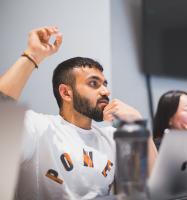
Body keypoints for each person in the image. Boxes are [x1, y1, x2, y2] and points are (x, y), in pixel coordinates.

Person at [0, 26, 157, 199]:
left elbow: (152, 187)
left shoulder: (112, 137)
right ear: (66, 93)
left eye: (105, 84)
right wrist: (32, 55)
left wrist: (138, 125)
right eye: (93, 84)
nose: (105, 91)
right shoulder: (38, 128)